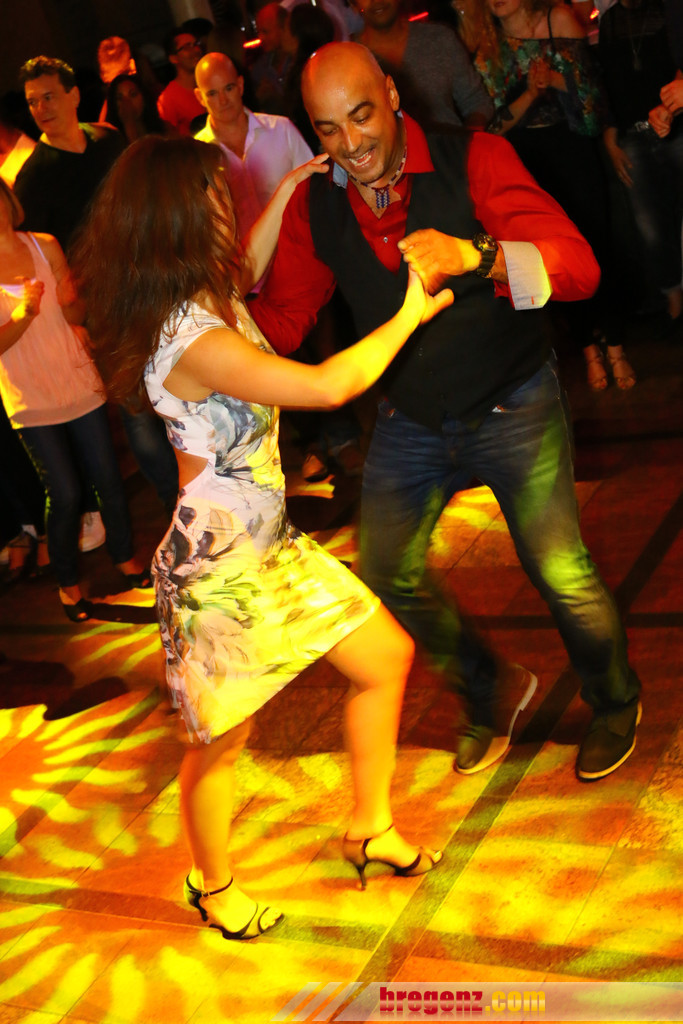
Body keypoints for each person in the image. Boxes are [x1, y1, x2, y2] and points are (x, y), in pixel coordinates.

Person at [72, 135, 449, 939]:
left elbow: (247, 259)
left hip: (266, 544)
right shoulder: (194, 341)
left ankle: (369, 826)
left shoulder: (204, 292)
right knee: (220, 738)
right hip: (216, 568)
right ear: (180, 215)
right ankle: (210, 884)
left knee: (384, 659)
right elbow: (327, 385)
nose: (228, 204)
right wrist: (410, 311)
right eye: (216, 195)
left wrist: (286, 192)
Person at [249, 41, 643, 782]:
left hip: (513, 399)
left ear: (392, 95)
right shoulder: (316, 203)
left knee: (560, 570)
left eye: (361, 116)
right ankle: (488, 686)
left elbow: (579, 268)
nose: (350, 143)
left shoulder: (476, 157)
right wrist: (199, 330)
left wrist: (478, 256)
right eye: (328, 128)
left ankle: (614, 698)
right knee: (384, 572)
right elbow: (283, 321)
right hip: (410, 419)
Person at [14, 55, 179, 520]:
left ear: (74, 96)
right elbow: (38, 257)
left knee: (182, 388)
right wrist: (75, 314)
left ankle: (210, 486)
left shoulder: (107, 141)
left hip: (150, 284)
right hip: (101, 307)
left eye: (49, 96)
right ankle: (176, 501)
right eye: (33, 102)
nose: (41, 108)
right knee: (137, 412)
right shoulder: (33, 177)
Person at [0, 179, 148, 621]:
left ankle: (126, 559)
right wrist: (22, 315)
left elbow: (75, 312)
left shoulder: (44, 244)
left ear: (8, 200)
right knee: (64, 492)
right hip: (28, 393)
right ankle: (67, 585)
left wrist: (72, 302)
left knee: (107, 476)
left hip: (75, 375)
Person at [470, 0, 636, 390]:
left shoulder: (557, 19)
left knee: (595, 245)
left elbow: (594, 103)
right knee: (549, 257)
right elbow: (492, 128)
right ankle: (588, 350)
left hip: (571, 150)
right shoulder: (487, 45)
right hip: (524, 160)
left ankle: (616, 346)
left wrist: (556, 81)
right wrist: (530, 93)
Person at [194, 52, 313, 239]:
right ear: (199, 97)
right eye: (212, 93)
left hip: (296, 246)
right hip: (238, 257)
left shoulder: (282, 130)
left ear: (240, 85)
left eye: (229, 88)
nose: (223, 100)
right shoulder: (195, 155)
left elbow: (314, 190)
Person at [352, 0, 495, 129]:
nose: (377, 1)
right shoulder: (348, 59)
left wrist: (467, 142)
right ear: (353, 4)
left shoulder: (439, 39)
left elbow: (477, 102)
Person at [157, 29, 206, 136]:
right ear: (173, 58)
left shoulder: (210, 82)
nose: (196, 50)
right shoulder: (168, 99)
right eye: (187, 47)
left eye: (196, 44)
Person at [105, 74, 176, 145]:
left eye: (133, 94)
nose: (127, 103)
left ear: (144, 97)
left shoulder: (165, 128)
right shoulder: (110, 141)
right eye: (119, 98)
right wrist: (128, 122)